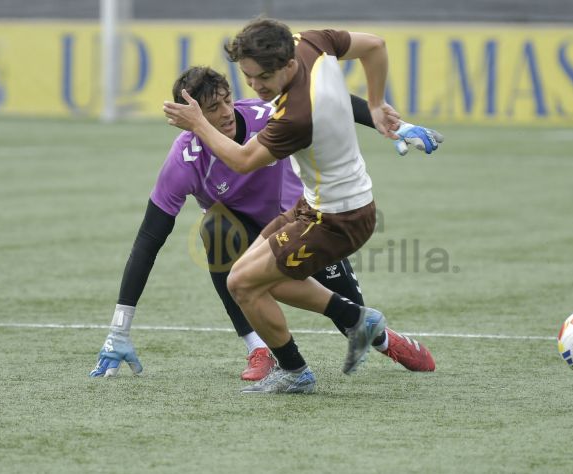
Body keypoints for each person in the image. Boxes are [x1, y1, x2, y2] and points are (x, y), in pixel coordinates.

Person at [90, 66, 439, 380]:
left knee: (348, 319)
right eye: (212, 109)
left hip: (306, 224)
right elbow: (148, 240)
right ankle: (260, 349)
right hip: (246, 239)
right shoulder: (185, 160)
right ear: (189, 118)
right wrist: (119, 329)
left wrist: (396, 124)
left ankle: (381, 338)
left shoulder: (266, 115)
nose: (226, 113)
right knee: (216, 232)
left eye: (227, 100)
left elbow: (325, 102)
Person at [162, 19, 443, 394]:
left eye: (263, 77)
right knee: (251, 276)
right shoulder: (311, 41)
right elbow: (374, 46)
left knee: (242, 283)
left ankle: (296, 372)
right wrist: (375, 106)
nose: (256, 87)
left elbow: (244, 160)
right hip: (315, 205)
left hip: (337, 219)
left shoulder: (297, 114)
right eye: (248, 77)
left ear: (288, 65)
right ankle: (359, 321)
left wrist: (199, 123)